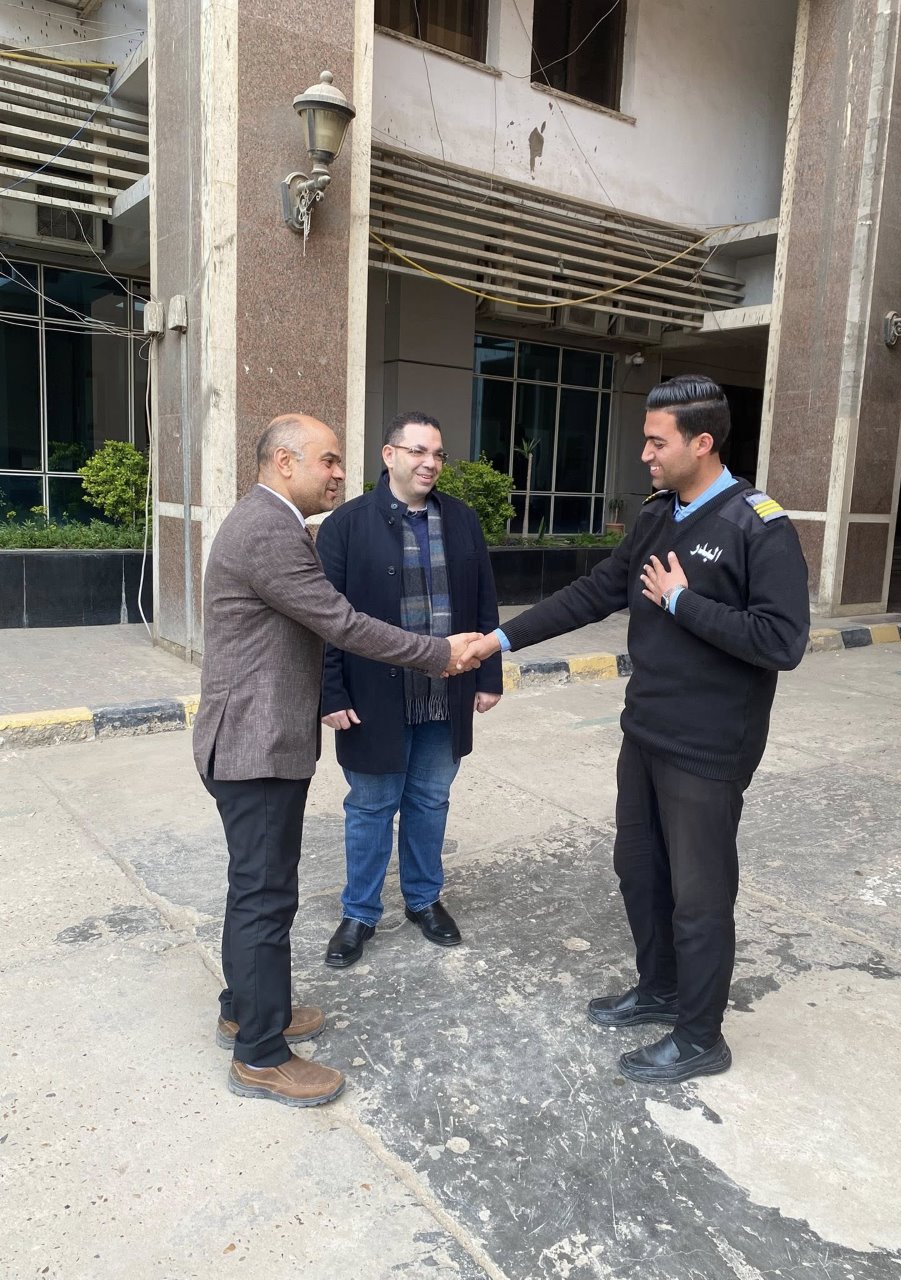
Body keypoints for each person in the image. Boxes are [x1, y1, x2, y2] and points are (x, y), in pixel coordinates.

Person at [457, 375, 810, 1083]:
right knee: (640, 871)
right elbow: (594, 592)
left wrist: (682, 602)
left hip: (709, 746)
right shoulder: (657, 516)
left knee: (700, 895)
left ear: (702, 443)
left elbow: (782, 641)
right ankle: (661, 989)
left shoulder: (757, 527)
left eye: (657, 442)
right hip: (645, 730)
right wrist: (499, 639)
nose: (644, 454)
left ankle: (701, 1036)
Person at [193, 413, 482, 1108]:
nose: (339, 473)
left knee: (254, 887)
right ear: (284, 462)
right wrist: (439, 653)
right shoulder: (270, 531)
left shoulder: (270, 522)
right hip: (255, 746)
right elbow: (341, 623)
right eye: (327, 460)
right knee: (266, 897)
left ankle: (245, 1007)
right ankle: (261, 1055)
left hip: (254, 740)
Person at [319, 411, 502, 968]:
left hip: (448, 691)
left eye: (438, 453)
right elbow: (326, 618)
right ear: (389, 455)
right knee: (371, 806)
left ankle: (424, 900)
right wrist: (330, 693)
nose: (430, 463)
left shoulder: (462, 520)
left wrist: (488, 674)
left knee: (430, 799)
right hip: (374, 694)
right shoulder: (347, 524)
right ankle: (359, 913)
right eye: (418, 451)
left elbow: (485, 599)